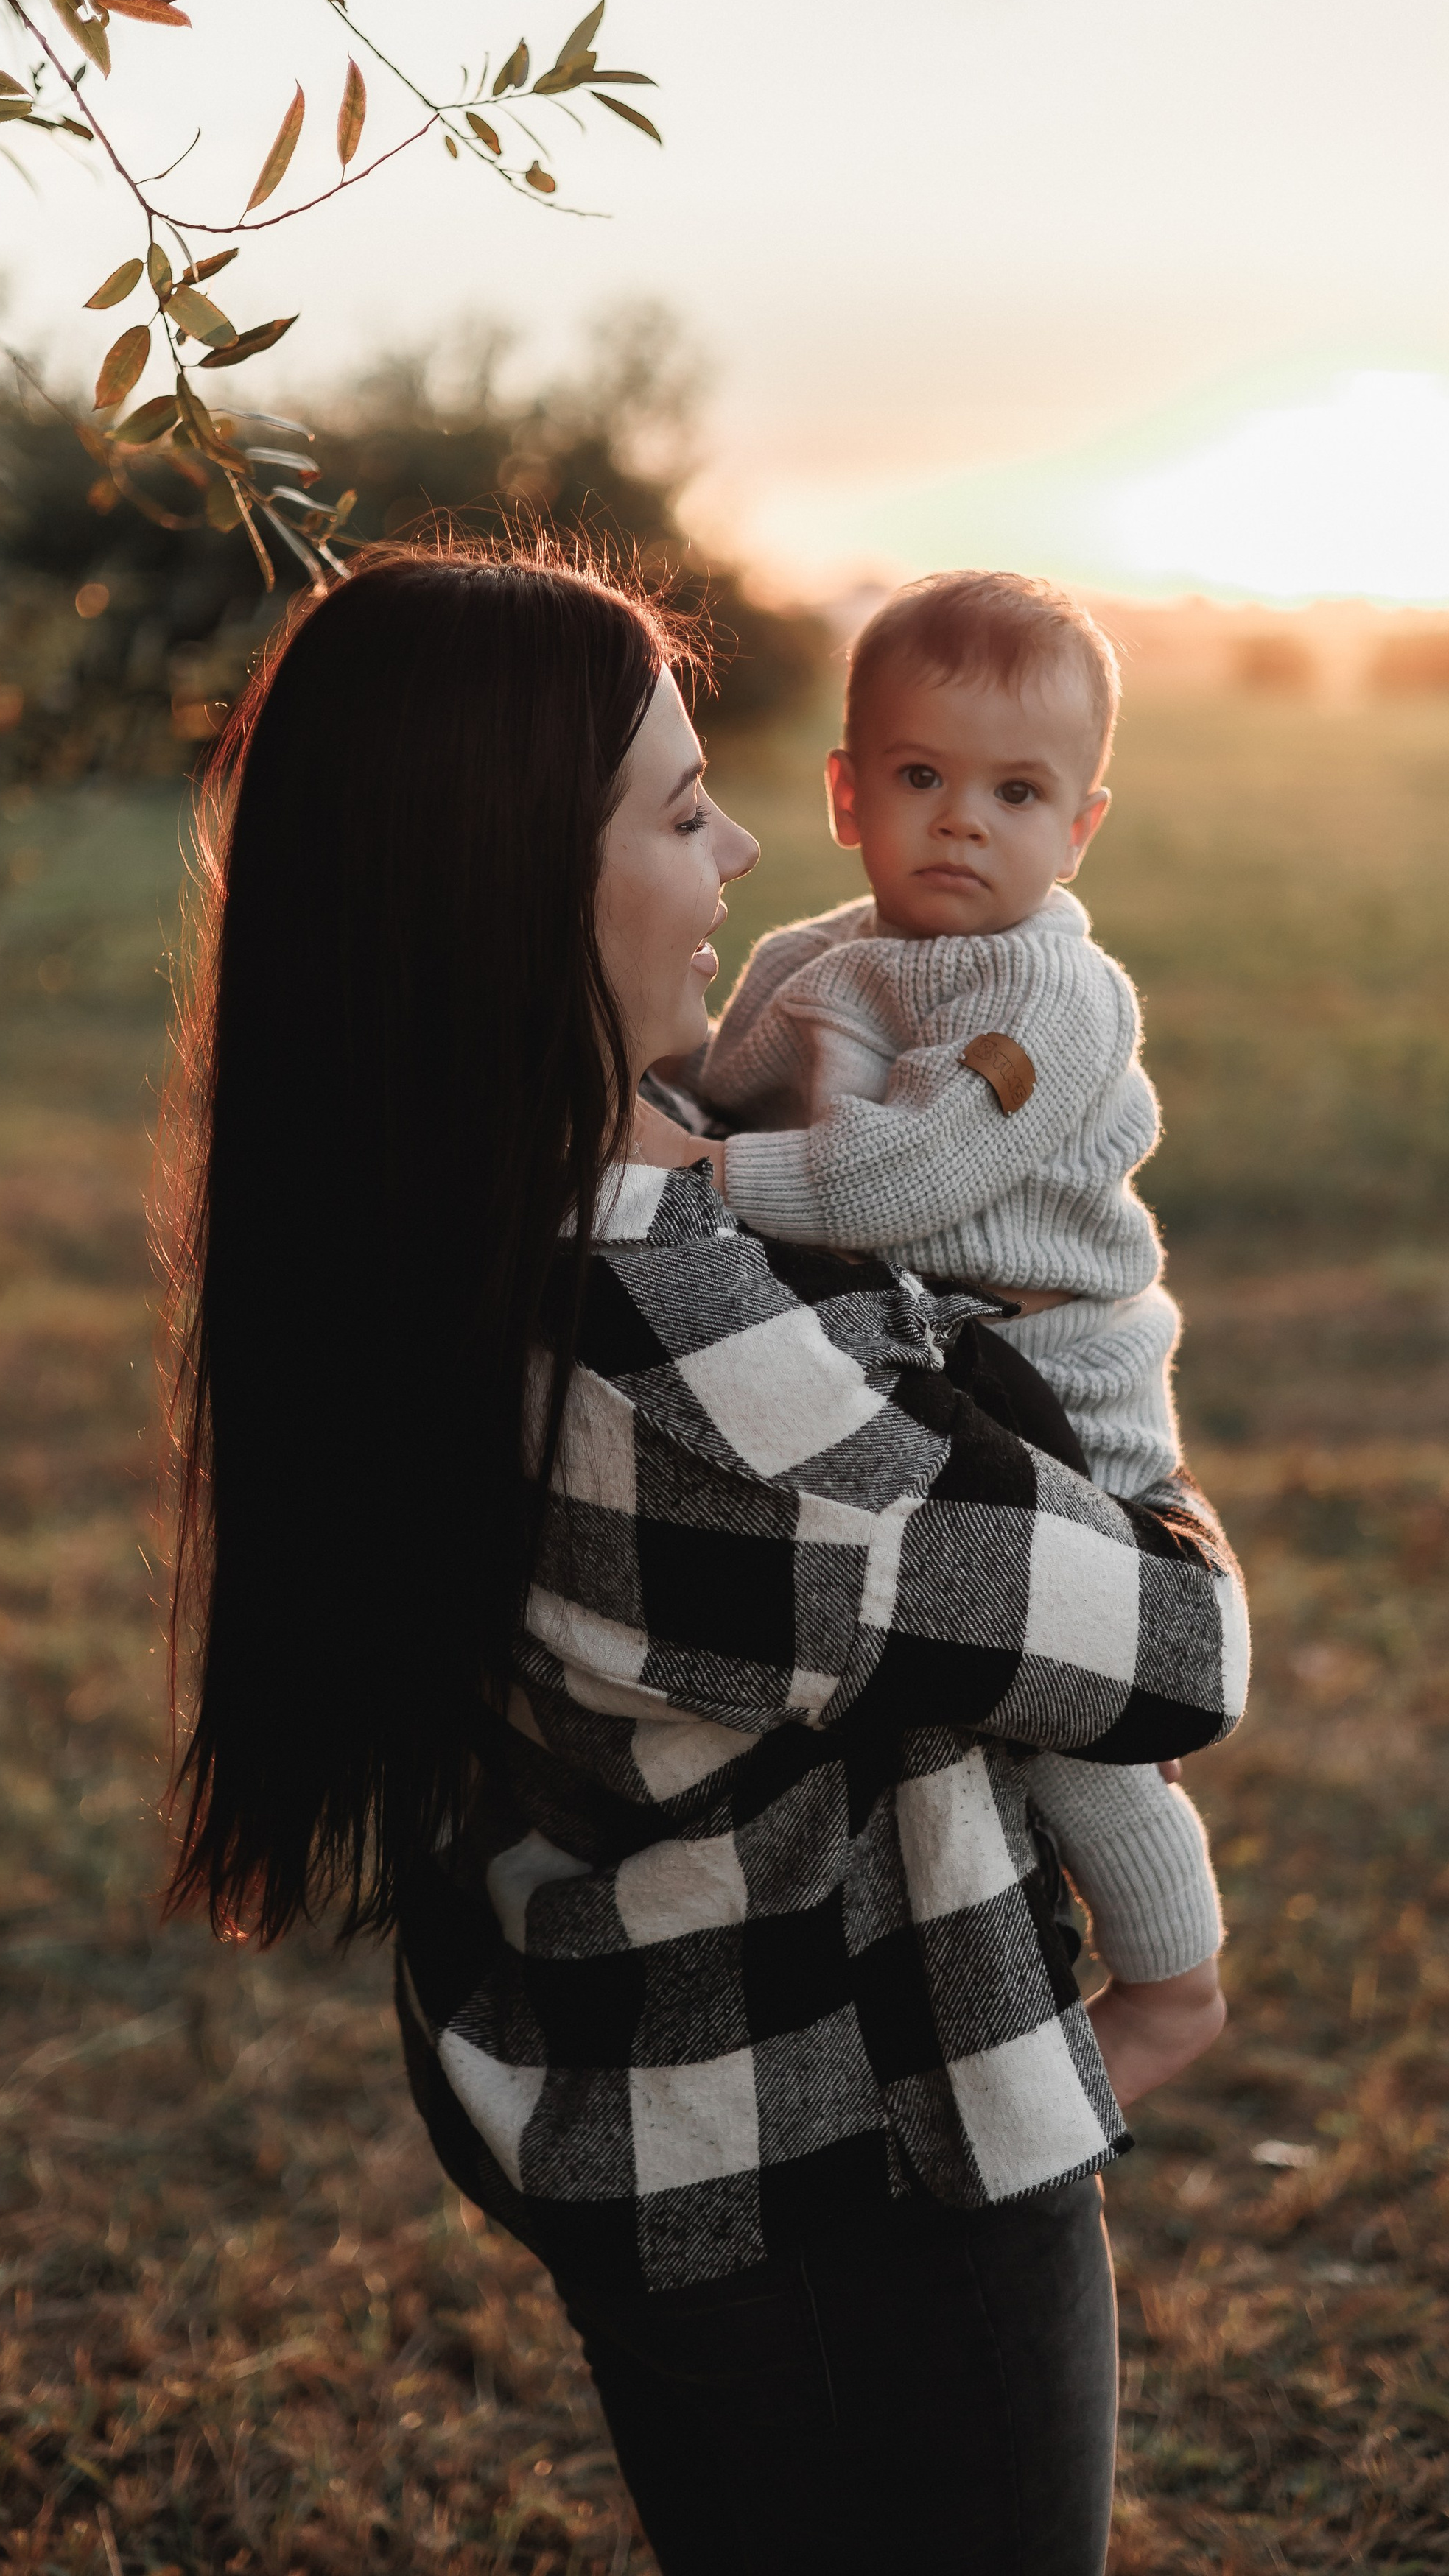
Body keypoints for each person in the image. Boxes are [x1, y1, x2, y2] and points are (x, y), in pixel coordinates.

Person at [161, 543, 1251, 2576]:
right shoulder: (692, 1367)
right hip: (854, 2179)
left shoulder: (420, 1203)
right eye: (680, 810)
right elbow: (1171, 1650)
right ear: (508, 886)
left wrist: (713, 1124)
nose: (748, 845)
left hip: (640, 2116)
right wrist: (1107, 1440)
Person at [641, 566, 1230, 2130]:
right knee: (966, 1689)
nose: (962, 822)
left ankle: (1173, 1985)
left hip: (1063, 1379)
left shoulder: (1050, 992)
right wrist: (663, 1128)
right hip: (926, 1362)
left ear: (1077, 827)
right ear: (847, 794)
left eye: (1014, 792)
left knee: (1073, 1706)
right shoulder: (817, 960)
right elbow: (725, 1084)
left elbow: (900, 1179)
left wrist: (703, 1178)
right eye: (919, 778)